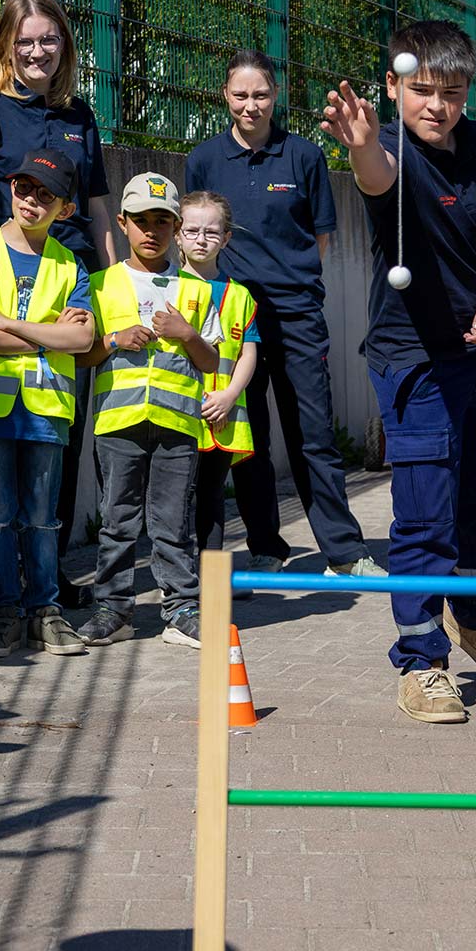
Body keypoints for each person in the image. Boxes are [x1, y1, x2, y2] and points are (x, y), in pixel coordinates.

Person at [322, 21, 476, 724]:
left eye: (452, 91)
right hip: (412, 360)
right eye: (421, 90)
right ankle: (421, 663)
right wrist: (359, 145)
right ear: (393, 86)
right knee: (425, 518)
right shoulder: (385, 149)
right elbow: (375, 179)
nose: (436, 105)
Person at [185, 50, 382, 583]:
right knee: (247, 437)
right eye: (241, 95)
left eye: (261, 95)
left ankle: (343, 550)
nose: (251, 105)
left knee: (312, 434)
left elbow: (320, 238)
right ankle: (265, 545)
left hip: (296, 316)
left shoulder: (304, 157)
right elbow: (197, 237)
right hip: (229, 320)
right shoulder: (204, 160)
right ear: (225, 96)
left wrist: (288, 285)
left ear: (276, 96)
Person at [0, 0, 116, 608]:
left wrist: (116, 287)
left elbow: (97, 208)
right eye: (26, 41)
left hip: (71, 285)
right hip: (9, 281)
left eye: (49, 39)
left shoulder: (80, 115)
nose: (38, 51)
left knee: (59, 437)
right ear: (7, 45)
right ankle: (6, 582)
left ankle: (48, 572)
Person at [76, 173, 223, 649]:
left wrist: (187, 334)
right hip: (118, 423)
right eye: (141, 220)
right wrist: (114, 339)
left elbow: (211, 360)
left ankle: (181, 609)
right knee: (117, 520)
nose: (151, 230)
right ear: (122, 223)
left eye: (163, 221)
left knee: (172, 522)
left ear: (178, 227)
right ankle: (114, 609)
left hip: (177, 424)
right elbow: (82, 354)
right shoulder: (99, 285)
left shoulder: (198, 290)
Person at [0, 149, 94, 657]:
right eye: (23, 187)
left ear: (66, 209)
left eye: (45, 194)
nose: (31, 199)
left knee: (41, 518)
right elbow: (63, 338)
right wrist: (47, 335)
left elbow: (82, 342)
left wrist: (9, 326)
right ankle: (4, 612)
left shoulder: (68, 264)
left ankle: (44, 612)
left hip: (46, 411)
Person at [177, 190, 259, 552]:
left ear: (225, 238)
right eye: (192, 230)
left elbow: (247, 354)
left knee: (212, 498)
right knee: (175, 499)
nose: (201, 239)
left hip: (222, 415)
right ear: (178, 233)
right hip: (177, 411)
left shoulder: (241, 295)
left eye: (211, 232)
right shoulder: (166, 286)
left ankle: (211, 578)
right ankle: (177, 582)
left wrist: (229, 396)